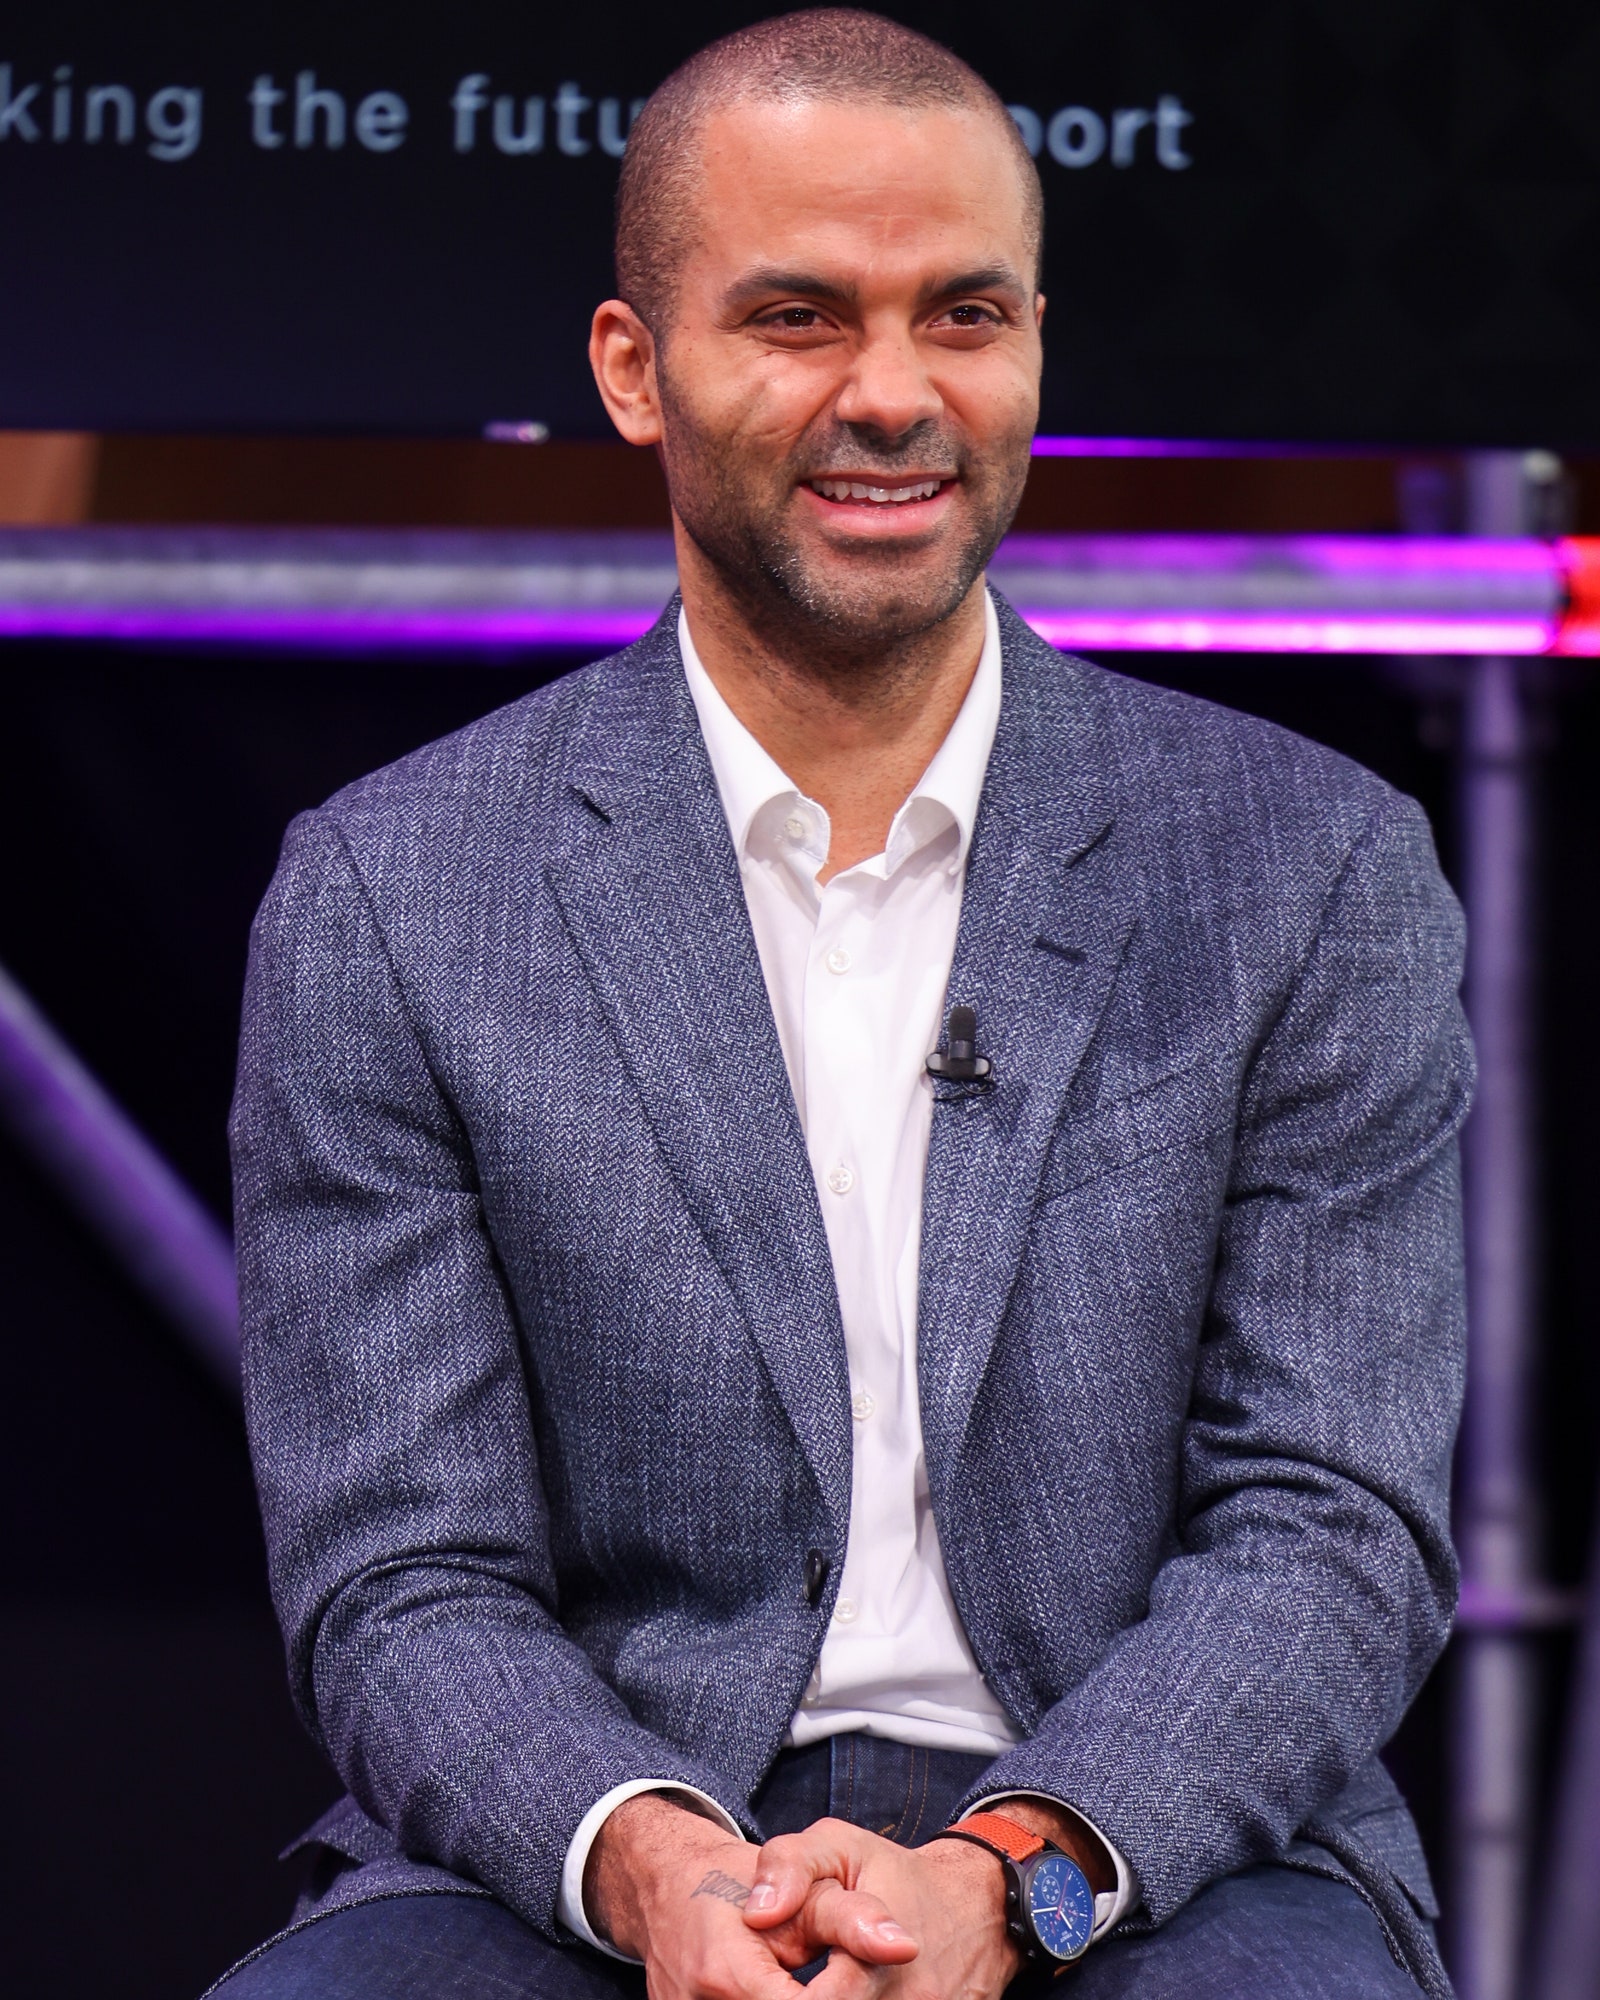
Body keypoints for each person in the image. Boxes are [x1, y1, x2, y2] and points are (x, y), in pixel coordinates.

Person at [218, 11, 1471, 1999]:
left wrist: (1011, 1867)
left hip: (1143, 1849)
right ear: (635, 372)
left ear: (1036, 343)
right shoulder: (390, 897)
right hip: (589, 1842)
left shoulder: (1305, 868)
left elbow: (1331, 1527)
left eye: (959, 317)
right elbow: (402, 1575)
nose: (892, 395)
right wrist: (656, 1872)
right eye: (797, 319)